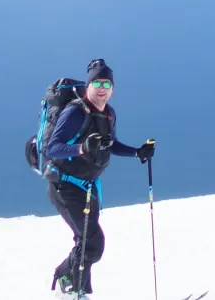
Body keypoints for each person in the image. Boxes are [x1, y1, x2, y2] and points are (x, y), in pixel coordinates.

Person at [42, 58, 156, 297]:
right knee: (92, 242)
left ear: (112, 89)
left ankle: (68, 280)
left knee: (88, 241)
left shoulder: (108, 115)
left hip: (87, 188)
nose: (102, 89)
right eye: (97, 83)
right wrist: (82, 148)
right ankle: (74, 288)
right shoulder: (75, 112)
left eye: (107, 84)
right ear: (88, 86)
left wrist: (137, 152)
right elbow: (53, 148)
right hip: (64, 184)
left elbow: (110, 144)